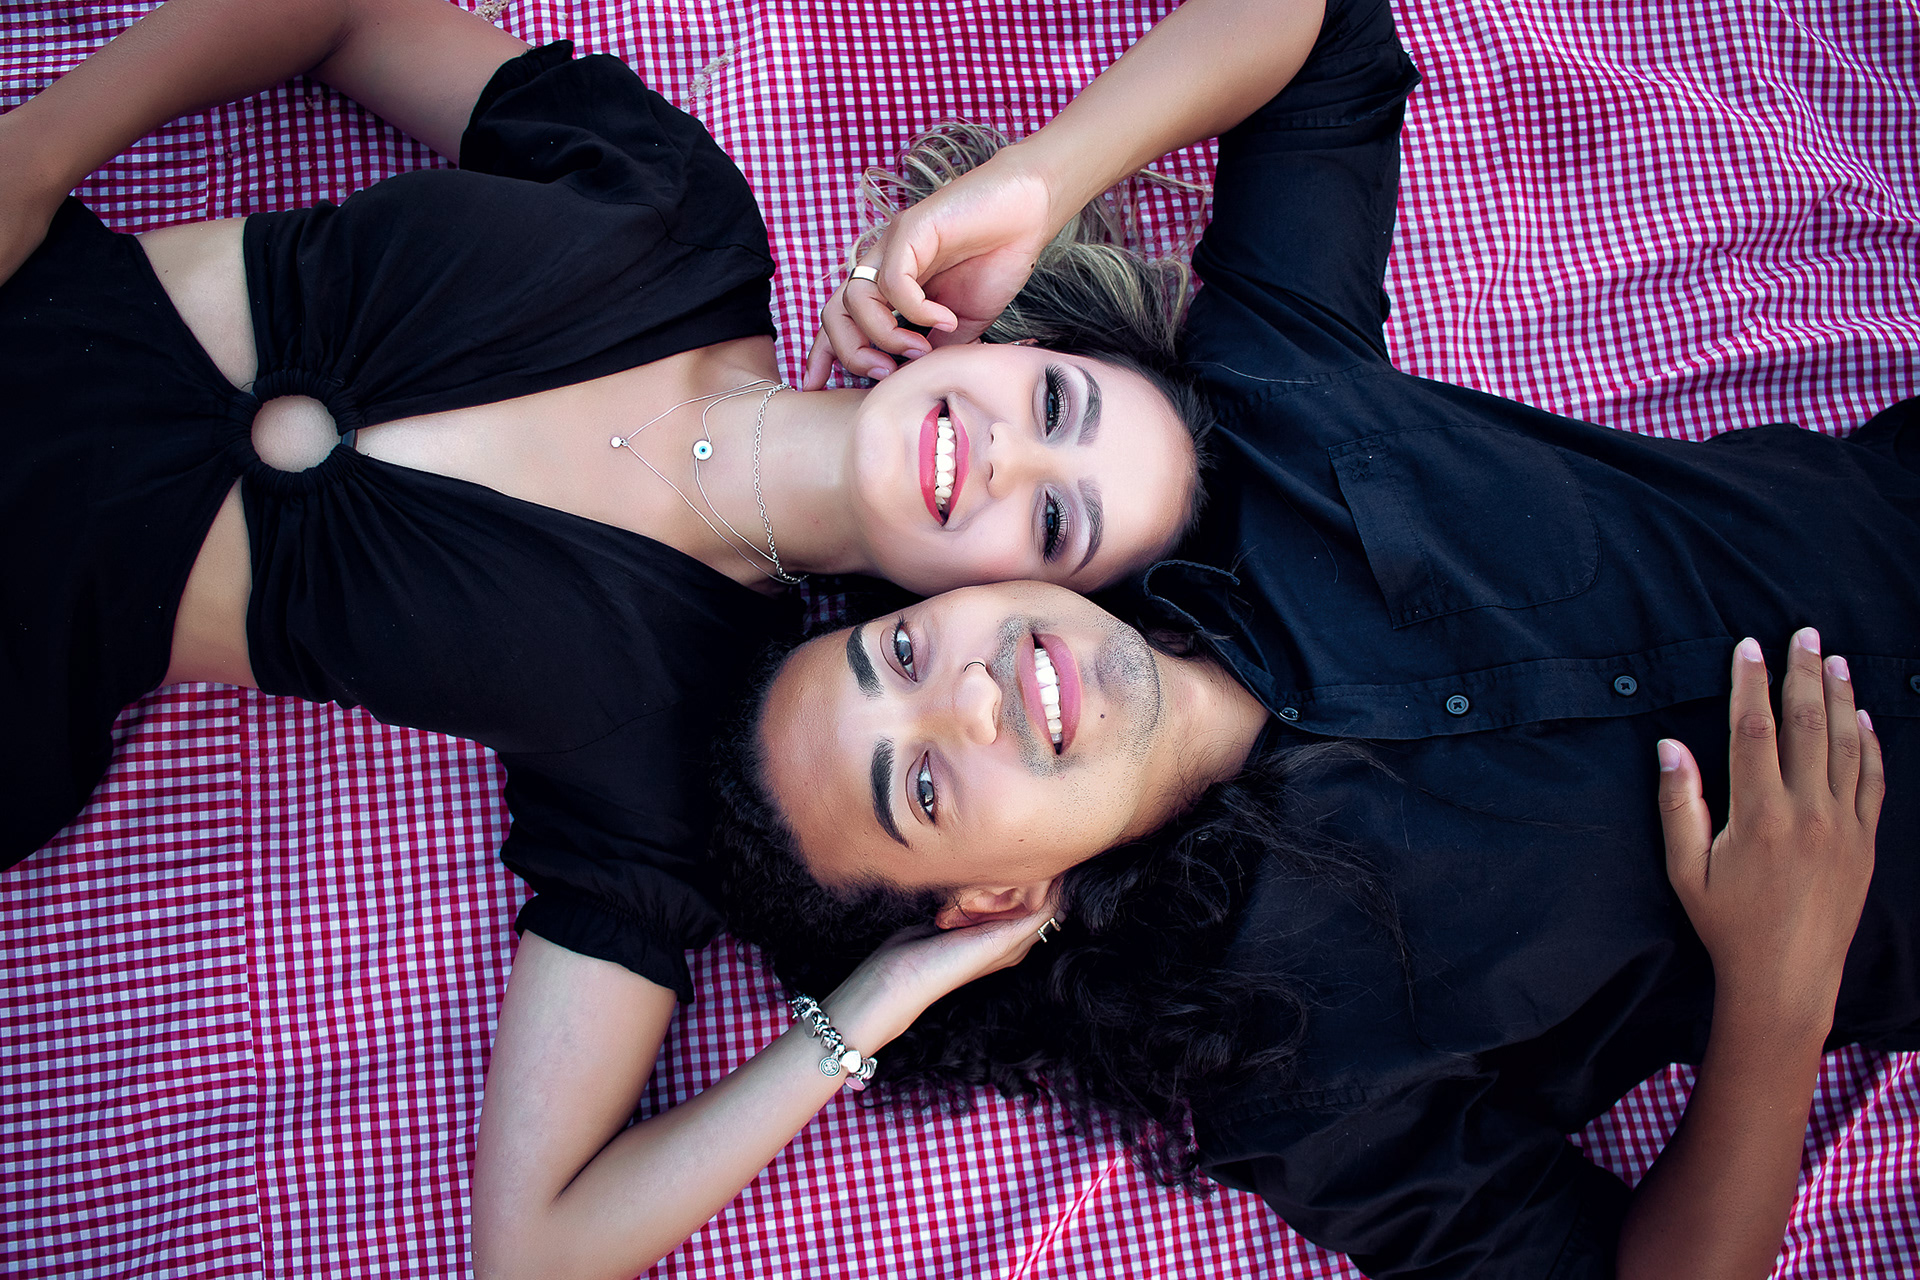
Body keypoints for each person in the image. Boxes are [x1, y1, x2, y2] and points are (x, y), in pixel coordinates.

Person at [0, 1, 1217, 1275]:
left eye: (1055, 524)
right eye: (1057, 402)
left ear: (1022, 606)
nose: (1010, 456)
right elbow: (344, 17)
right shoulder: (681, 202)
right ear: (1005, 338)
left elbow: (535, 1251)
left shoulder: (676, 739)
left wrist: (875, 1004)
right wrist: (36, 153)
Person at [711, 0, 1920, 1275]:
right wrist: (1780, 996)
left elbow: (1329, 39)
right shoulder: (1293, 1079)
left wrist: (1039, 181)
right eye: (921, 783)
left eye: (903, 655)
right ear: (993, 902)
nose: (970, 695)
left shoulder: (1261, 414)